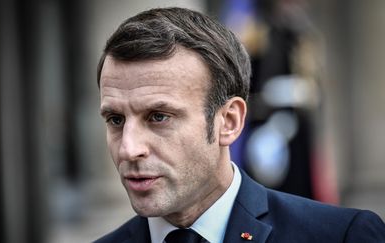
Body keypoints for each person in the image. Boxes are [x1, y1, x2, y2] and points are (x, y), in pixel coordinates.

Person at [94, 7, 385, 243]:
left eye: (159, 116)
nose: (129, 149)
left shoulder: (341, 236)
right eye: (115, 119)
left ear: (229, 122)